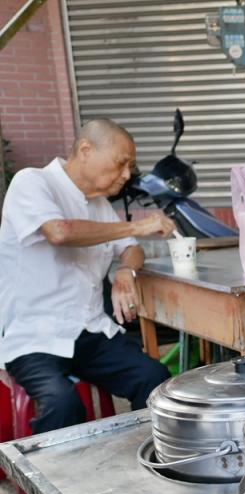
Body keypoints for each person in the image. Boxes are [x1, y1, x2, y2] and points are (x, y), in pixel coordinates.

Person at [0, 118, 176, 435]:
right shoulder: (33, 182)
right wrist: (136, 225)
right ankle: (53, 482)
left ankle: (146, 465)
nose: (127, 175)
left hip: (90, 332)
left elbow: (132, 249)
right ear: (86, 150)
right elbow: (59, 231)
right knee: (62, 402)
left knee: (154, 378)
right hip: (35, 336)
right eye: (122, 164)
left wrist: (125, 269)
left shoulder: (98, 205)